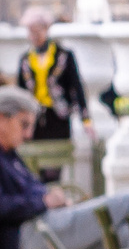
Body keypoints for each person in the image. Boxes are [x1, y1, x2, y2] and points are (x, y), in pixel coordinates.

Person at [0, 87, 129, 249]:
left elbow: (31, 189)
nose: (28, 134)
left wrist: (53, 198)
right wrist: (43, 201)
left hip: (45, 225)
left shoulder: (9, 154)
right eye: (24, 124)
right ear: (2, 119)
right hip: (28, 234)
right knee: (127, 200)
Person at [14, 8, 86, 147]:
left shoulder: (63, 55)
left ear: (46, 29)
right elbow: (20, 91)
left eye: (37, 31)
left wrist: (85, 118)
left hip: (58, 115)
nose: (34, 36)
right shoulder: (25, 59)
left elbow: (76, 86)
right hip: (33, 117)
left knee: (56, 157)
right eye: (30, 31)